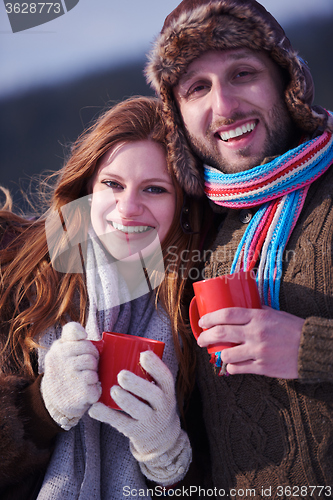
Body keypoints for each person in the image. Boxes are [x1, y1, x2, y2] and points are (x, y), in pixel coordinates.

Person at [145, 0, 333, 497]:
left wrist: (313, 349)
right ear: (178, 116)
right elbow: (69, 238)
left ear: (287, 82)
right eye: (196, 89)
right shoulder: (189, 226)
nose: (224, 107)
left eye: (243, 73)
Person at [0, 96, 206, 499]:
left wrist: (166, 452)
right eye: (113, 184)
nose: (128, 208)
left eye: (154, 189)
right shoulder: (14, 271)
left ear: (182, 205)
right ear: (89, 185)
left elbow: (231, 470)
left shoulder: (193, 299)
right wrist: (44, 406)